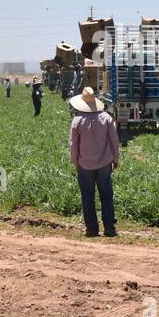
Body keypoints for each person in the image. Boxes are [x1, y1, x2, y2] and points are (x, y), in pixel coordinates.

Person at [68, 84, 119, 238]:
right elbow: (114, 141)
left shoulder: (77, 121)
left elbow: (73, 145)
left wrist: (75, 162)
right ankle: (109, 227)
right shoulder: (106, 118)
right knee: (106, 196)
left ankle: (91, 229)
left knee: (87, 197)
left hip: (85, 165)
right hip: (104, 164)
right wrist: (115, 159)